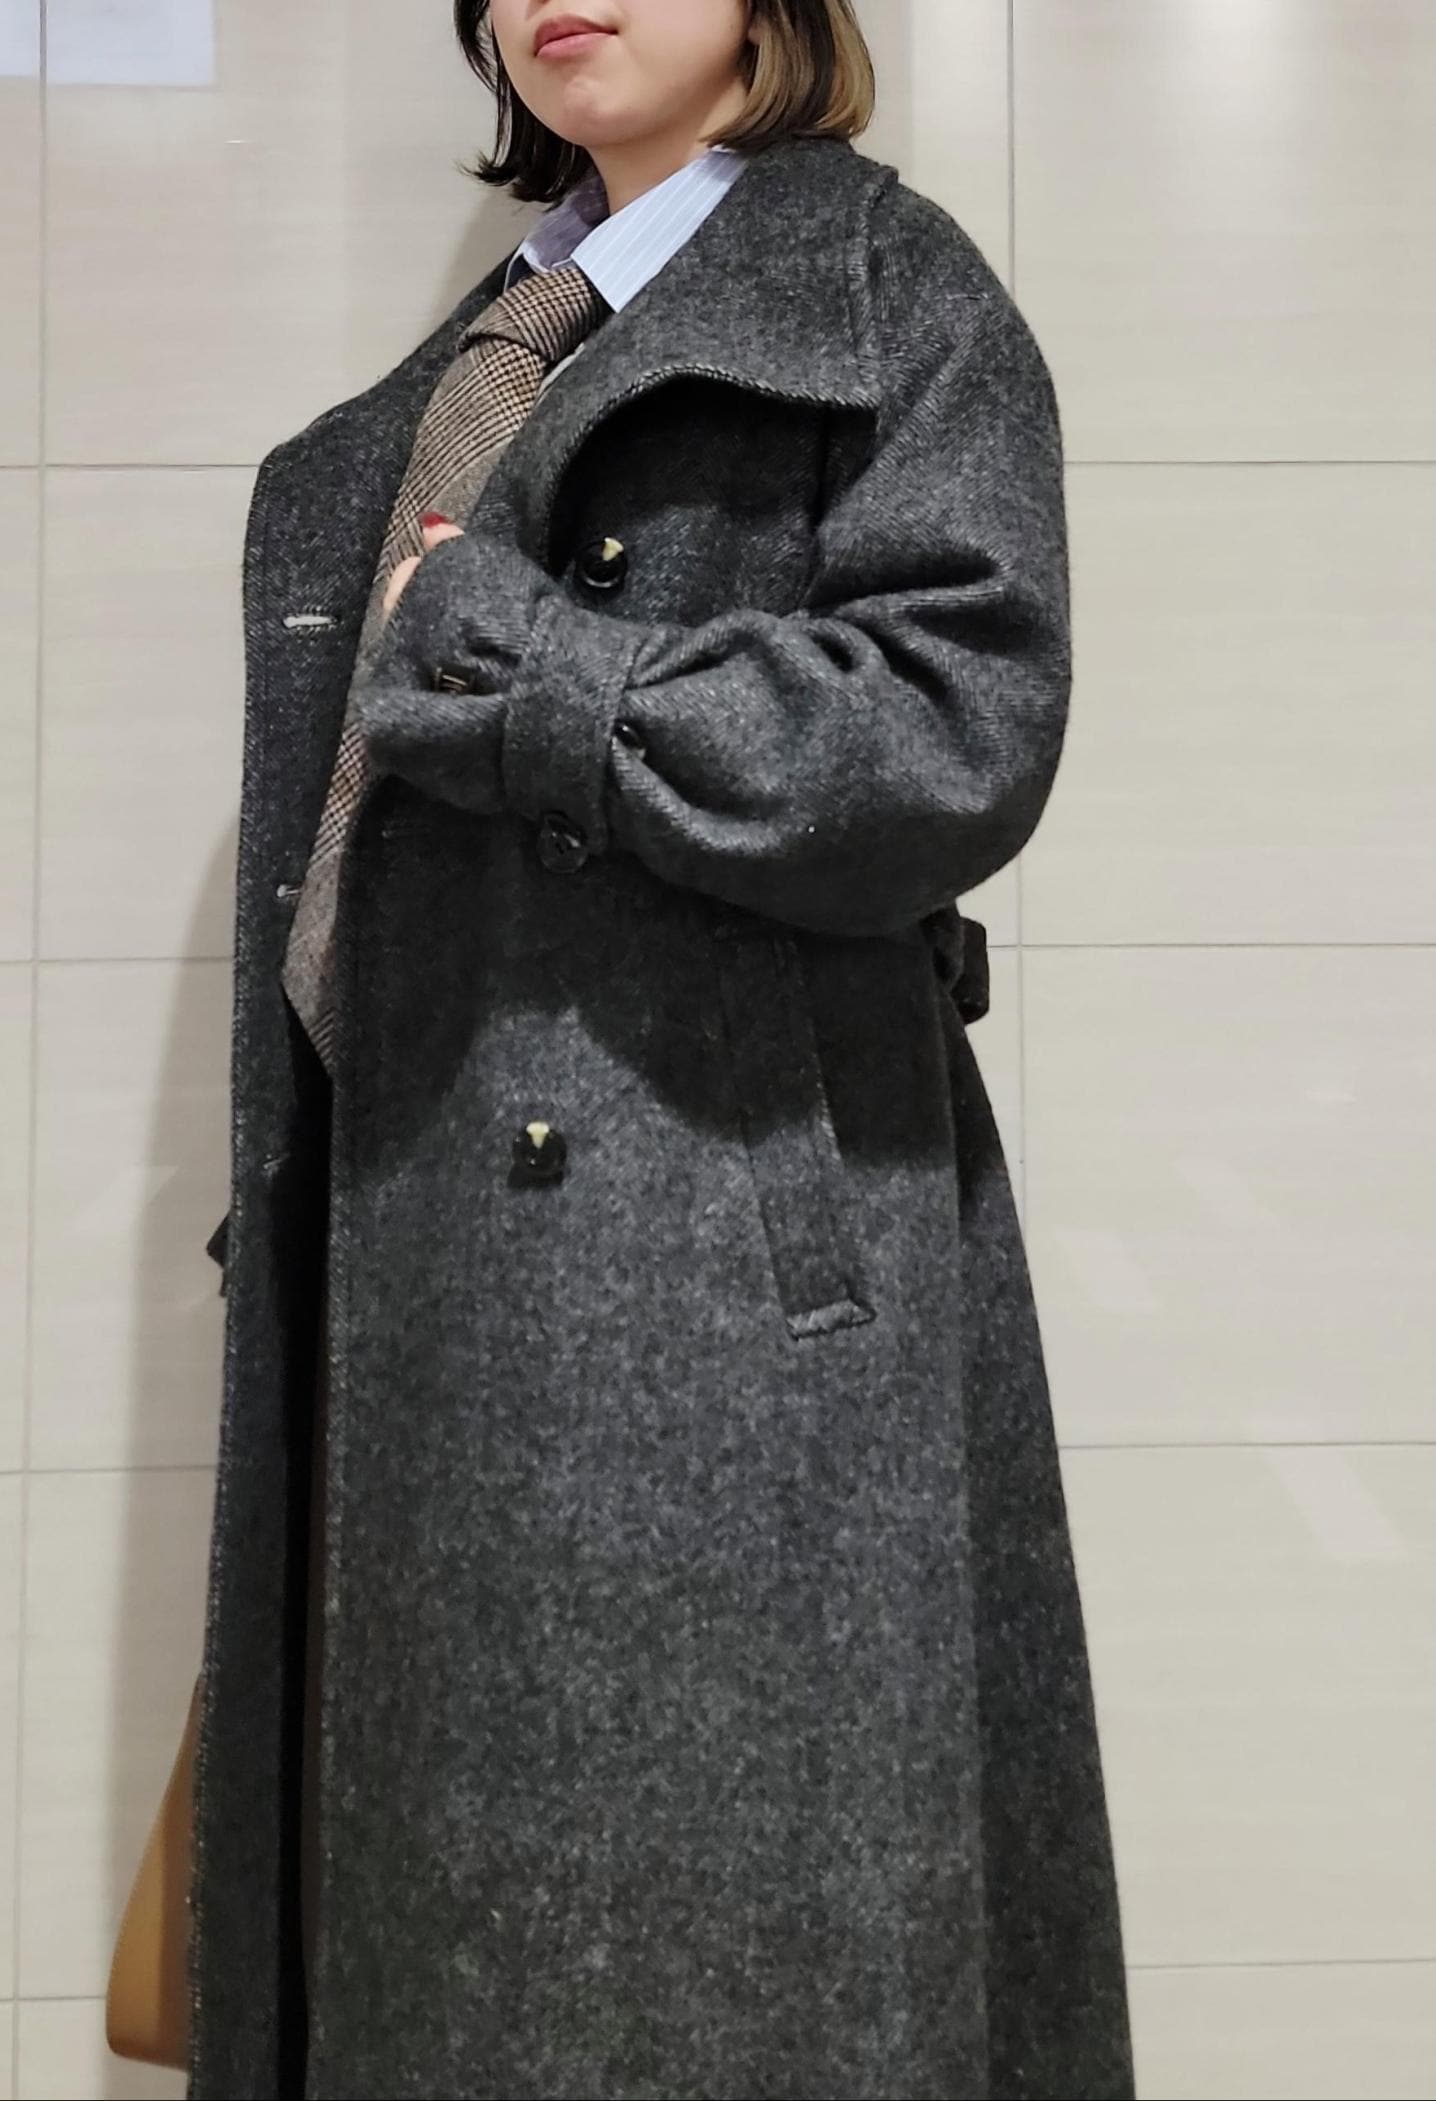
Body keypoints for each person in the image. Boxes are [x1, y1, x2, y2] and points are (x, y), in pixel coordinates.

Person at [188, 4, 1136, 2097]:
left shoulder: (884, 292)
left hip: (726, 1303)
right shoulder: (494, 350)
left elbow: (955, 733)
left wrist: (523, 661)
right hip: (415, 1274)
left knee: (717, 1969)